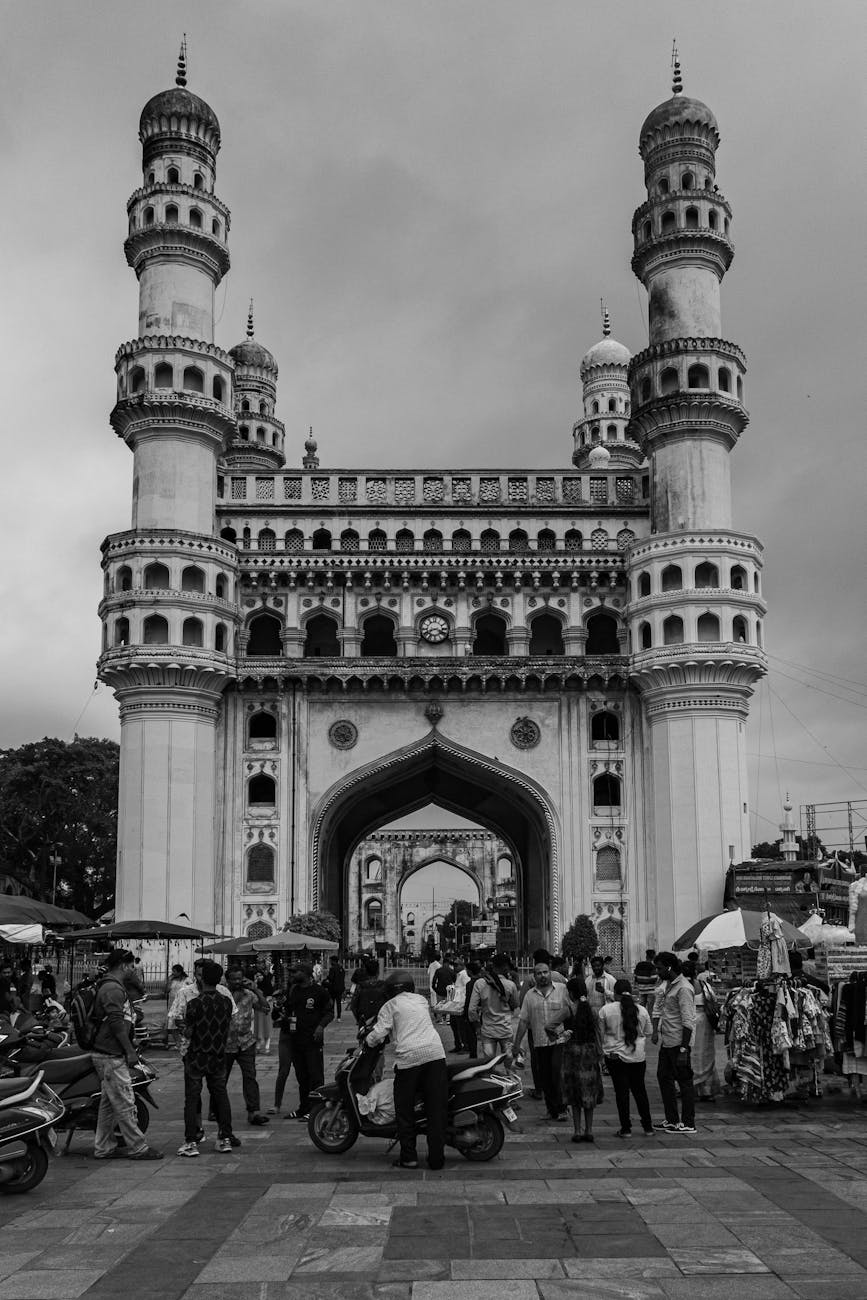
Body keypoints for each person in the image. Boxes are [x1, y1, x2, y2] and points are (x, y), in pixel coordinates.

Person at [366, 969, 447, 1170]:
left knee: (404, 1110)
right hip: (435, 1054)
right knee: (436, 1110)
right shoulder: (421, 1000)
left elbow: (379, 1033)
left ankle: (409, 1157)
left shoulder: (390, 1005)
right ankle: (437, 1159)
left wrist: (367, 1041)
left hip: (409, 1059)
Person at [91, 949, 163, 1161]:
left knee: (108, 1104)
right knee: (125, 1102)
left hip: (107, 1052)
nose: (134, 970)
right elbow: (116, 1023)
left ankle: (103, 1147)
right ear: (124, 966)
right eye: (132, 966)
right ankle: (138, 1147)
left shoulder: (112, 985)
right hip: (111, 1054)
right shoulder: (113, 988)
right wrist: (129, 1050)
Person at [176, 960, 236, 1156]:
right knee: (220, 1096)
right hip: (217, 1055)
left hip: (197, 1055)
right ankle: (224, 1138)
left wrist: (182, 1027)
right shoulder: (226, 1002)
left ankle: (190, 1141)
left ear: (202, 979)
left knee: (192, 1099)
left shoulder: (195, 1004)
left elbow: (188, 1032)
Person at [271, 962, 333, 1119]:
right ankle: (303, 1108)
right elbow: (288, 1011)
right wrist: (281, 1012)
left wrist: (321, 1026)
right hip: (296, 1040)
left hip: (312, 1040)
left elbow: (329, 1012)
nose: (292, 975)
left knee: (315, 1076)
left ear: (305, 973)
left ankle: (316, 1109)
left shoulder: (319, 992)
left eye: (295, 972)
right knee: (301, 1076)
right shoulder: (293, 991)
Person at [512, 957, 571, 1120]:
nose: (543, 975)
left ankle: (563, 1109)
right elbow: (523, 1021)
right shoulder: (530, 996)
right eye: (539, 973)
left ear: (550, 973)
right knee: (545, 1076)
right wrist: (517, 1044)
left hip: (559, 1041)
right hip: (539, 1041)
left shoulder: (562, 990)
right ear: (534, 976)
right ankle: (551, 1110)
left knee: (557, 1073)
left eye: (545, 972)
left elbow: (571, 1010)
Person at [598, 978, 654, 1136]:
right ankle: (648, 1126)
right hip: (637, 1057)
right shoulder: (642, 1010)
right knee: (640, 1091)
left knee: (621, 1093)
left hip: (615, 1057)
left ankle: (626, 1128)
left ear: (615, 993)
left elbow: (600, 1035)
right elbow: (648, 1032)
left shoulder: (606, 1010)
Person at [651, 951, 696, 1134]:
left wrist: (684, 1049)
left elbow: (688, 1021)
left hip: (679, 1042)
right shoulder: (669, 986)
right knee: (664, 1078)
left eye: (659, 968)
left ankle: (688, 1122)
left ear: (669, 967)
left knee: (684, 1082)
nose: (657, 972)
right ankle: (671, 1119)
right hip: (668, 1041)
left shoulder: (683, 988)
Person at [556, 976, 604, 1142]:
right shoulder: (593, 1011)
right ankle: (589, 1130)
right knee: (589, 1095)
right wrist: (600, 1054)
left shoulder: (568, 1010)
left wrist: (560, 1035)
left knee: (575, 1095)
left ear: (570, 993)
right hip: (589, 1055)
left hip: (572, 1055)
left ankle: (577, 1131)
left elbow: (549, 1025)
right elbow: (599, 1034)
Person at [224, 968, 270, 1126]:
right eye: (234, 979)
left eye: (240, 978)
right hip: (226, 1043)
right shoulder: (222, 995)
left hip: (246, 1042)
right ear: (227, 980)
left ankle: (253, 1112)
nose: (238, 982)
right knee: (221, 1078)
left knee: (250, 1076)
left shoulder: (249, 994)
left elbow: (265, 1008)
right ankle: (215, 1109)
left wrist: (256, 990)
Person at [468, 953, 518, 1059]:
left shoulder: (480, 983)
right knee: (509, 1063)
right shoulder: (510, 985)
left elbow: (471, 1010)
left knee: (489, 1064)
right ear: (505, 967)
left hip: (487, 1031)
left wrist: (477, 1027)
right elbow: (515, 1005)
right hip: (505, 1030)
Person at [688, 964, 720, 1102]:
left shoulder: (680, 987)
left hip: (688, 1022)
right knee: (705, 1054)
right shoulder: (705, 986)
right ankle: (706, 1089)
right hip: (704, 1022)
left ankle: (690, 1087)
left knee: (690, 1054)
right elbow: (714, 1001)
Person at [458, 959, 482, 1057]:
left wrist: (465, 1012)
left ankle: (473, 1054)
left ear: (470, 971)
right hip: (482, 1010)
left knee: (471, 1034)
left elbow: (469, 1000)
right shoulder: (482, 982)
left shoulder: (470, 984)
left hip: (472, 1011)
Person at [253, 962, 275, 1052]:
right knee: (258, 1025)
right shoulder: (255, 986)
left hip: (266, 1007)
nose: (259, 977)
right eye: (257, 976)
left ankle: (267, 1044)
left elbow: (270, 995)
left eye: (260, 975)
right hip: (258, 1008)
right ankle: (258, 1043)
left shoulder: (268, 984)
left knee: (267, 1024)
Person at [325, 956, 346, 1021]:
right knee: (338, 1003)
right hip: (340, 988)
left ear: (333, 961)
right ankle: (339, 1017)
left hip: (333, 988)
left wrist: (326, 979)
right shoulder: (341, 968)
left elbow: (331, 978)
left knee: (332, 1002)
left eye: (330, 961)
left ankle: (332, 1015)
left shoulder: (332, 968)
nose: (330, 962)